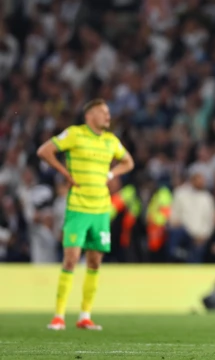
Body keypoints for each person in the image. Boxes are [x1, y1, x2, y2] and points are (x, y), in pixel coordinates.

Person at [37, 98, 135, 330]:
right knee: (70, 259)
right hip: (78, 208)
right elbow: (44, 151)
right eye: (103, 112)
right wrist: (65, 173)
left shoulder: (111, 141)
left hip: (101, 209)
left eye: (108, 113)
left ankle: (85, 315)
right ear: (89, 115)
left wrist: (111, 175)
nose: (108, 117)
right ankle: (59, 316)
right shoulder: (75, 134)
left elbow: (128, 162)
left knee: (94, 262)